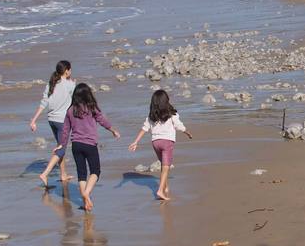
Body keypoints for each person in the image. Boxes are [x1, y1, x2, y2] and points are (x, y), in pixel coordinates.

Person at [56, 82, 120, 212]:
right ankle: (86, 193)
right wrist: (112, 130)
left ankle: (86, 202)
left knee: (81, 174)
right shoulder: (91, 107)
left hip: (76, 145)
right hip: (90, 144)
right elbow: (102, 119)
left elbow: (65, 130)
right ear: (88, 95)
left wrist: (61, 144)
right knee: (95, 171)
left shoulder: (70, 110)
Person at [128, 89, 193, 201]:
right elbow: (178, 126)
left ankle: (166, 186)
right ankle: (160, 191)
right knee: (166, 166)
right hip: (167, 142)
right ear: (166, 101)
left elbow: (144, 129)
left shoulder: (152, 116)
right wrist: (187, 132)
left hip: (155, 143)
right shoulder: (172, 114)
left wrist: (135, 142)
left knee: (164, 165)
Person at [29, 60, 76, 187]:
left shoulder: (51, 83)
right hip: (62, 121)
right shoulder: (70, 85)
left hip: (51, 120)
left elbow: (44, 102)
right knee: (61, 149)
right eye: (70, 70)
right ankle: (45, 174)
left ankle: (63, 174)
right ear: (67, 71)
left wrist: (34, 120)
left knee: (60, 146)